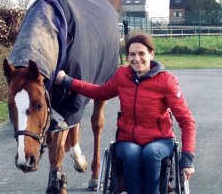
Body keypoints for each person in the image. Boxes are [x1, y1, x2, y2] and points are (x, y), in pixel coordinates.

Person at [55, 32, 196, 194]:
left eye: (141, 53)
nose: (137, 59)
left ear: (151, 54)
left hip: (161, 140)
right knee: (132, 153)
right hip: (127, 140)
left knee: (151, 153)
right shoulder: (122, 75)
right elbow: (99, 92)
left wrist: (187, 159)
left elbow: (187, 121)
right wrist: (67, 81)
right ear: (127, 57)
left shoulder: (166, 81)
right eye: (132, 54)